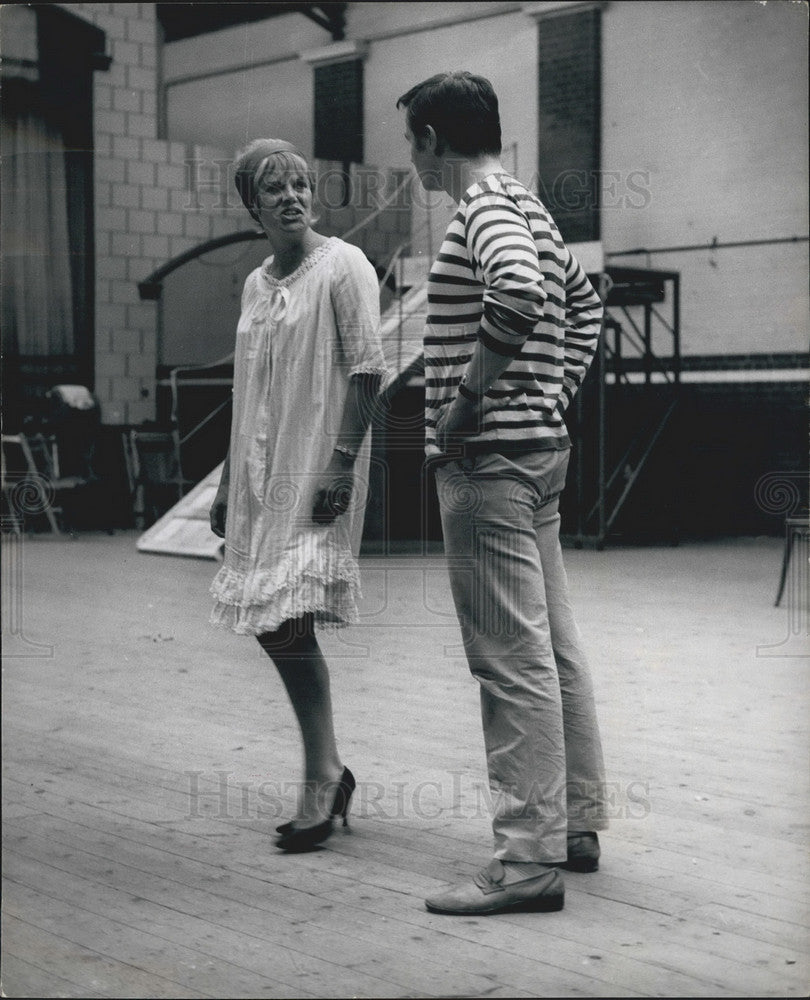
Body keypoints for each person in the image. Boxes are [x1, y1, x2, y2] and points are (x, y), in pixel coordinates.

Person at [397, 73, 609, 915]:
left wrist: (465, 404)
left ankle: (526, 862)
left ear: (433, 139)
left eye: (412, 142)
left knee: (508, 661)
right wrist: (552, 396)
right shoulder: (531, 205)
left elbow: (517, 292)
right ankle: (575, 825)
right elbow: (584, 305)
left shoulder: (481, 206)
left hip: (487, 463)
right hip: (538, 456)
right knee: (552, 648)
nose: (412, 160)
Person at [209, 139, 388, 853]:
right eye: (274, 188)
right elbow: (246, 389)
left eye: (301, 185)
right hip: (259, 469)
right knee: (271, 620)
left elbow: (369, 370)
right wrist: (228, 480)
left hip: (318, 463)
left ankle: (322, 773)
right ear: (252, 205)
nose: (292, 197)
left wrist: (341, 466)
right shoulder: (256, 285)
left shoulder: (344, 265)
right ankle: (329, 768)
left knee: (286, 614)